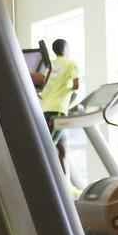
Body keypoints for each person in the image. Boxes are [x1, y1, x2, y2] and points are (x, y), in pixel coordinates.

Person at [39, 38, 81, 174]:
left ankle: (65, 185)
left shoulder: (50, 65)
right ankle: (44, 178)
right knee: (49, 147)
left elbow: (44, 84)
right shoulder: (71, 64)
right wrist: (67, 91)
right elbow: (76, 85)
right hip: (58, 109)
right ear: (66, 49)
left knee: (62, 150)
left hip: (45, 108)